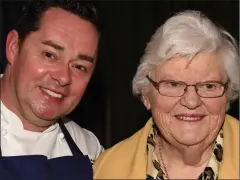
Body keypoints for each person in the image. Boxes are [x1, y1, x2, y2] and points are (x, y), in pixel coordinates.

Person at [94, 10, 239, 179]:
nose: (191, 101)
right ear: (146, 95)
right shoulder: (107, 170)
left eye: (208, 86)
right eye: (173, 84)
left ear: (227, 94)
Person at [0, 1, 104, 180]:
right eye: (50, 55)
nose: (63, 77)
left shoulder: (89, 149)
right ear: (13, 47)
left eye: (79, 67)